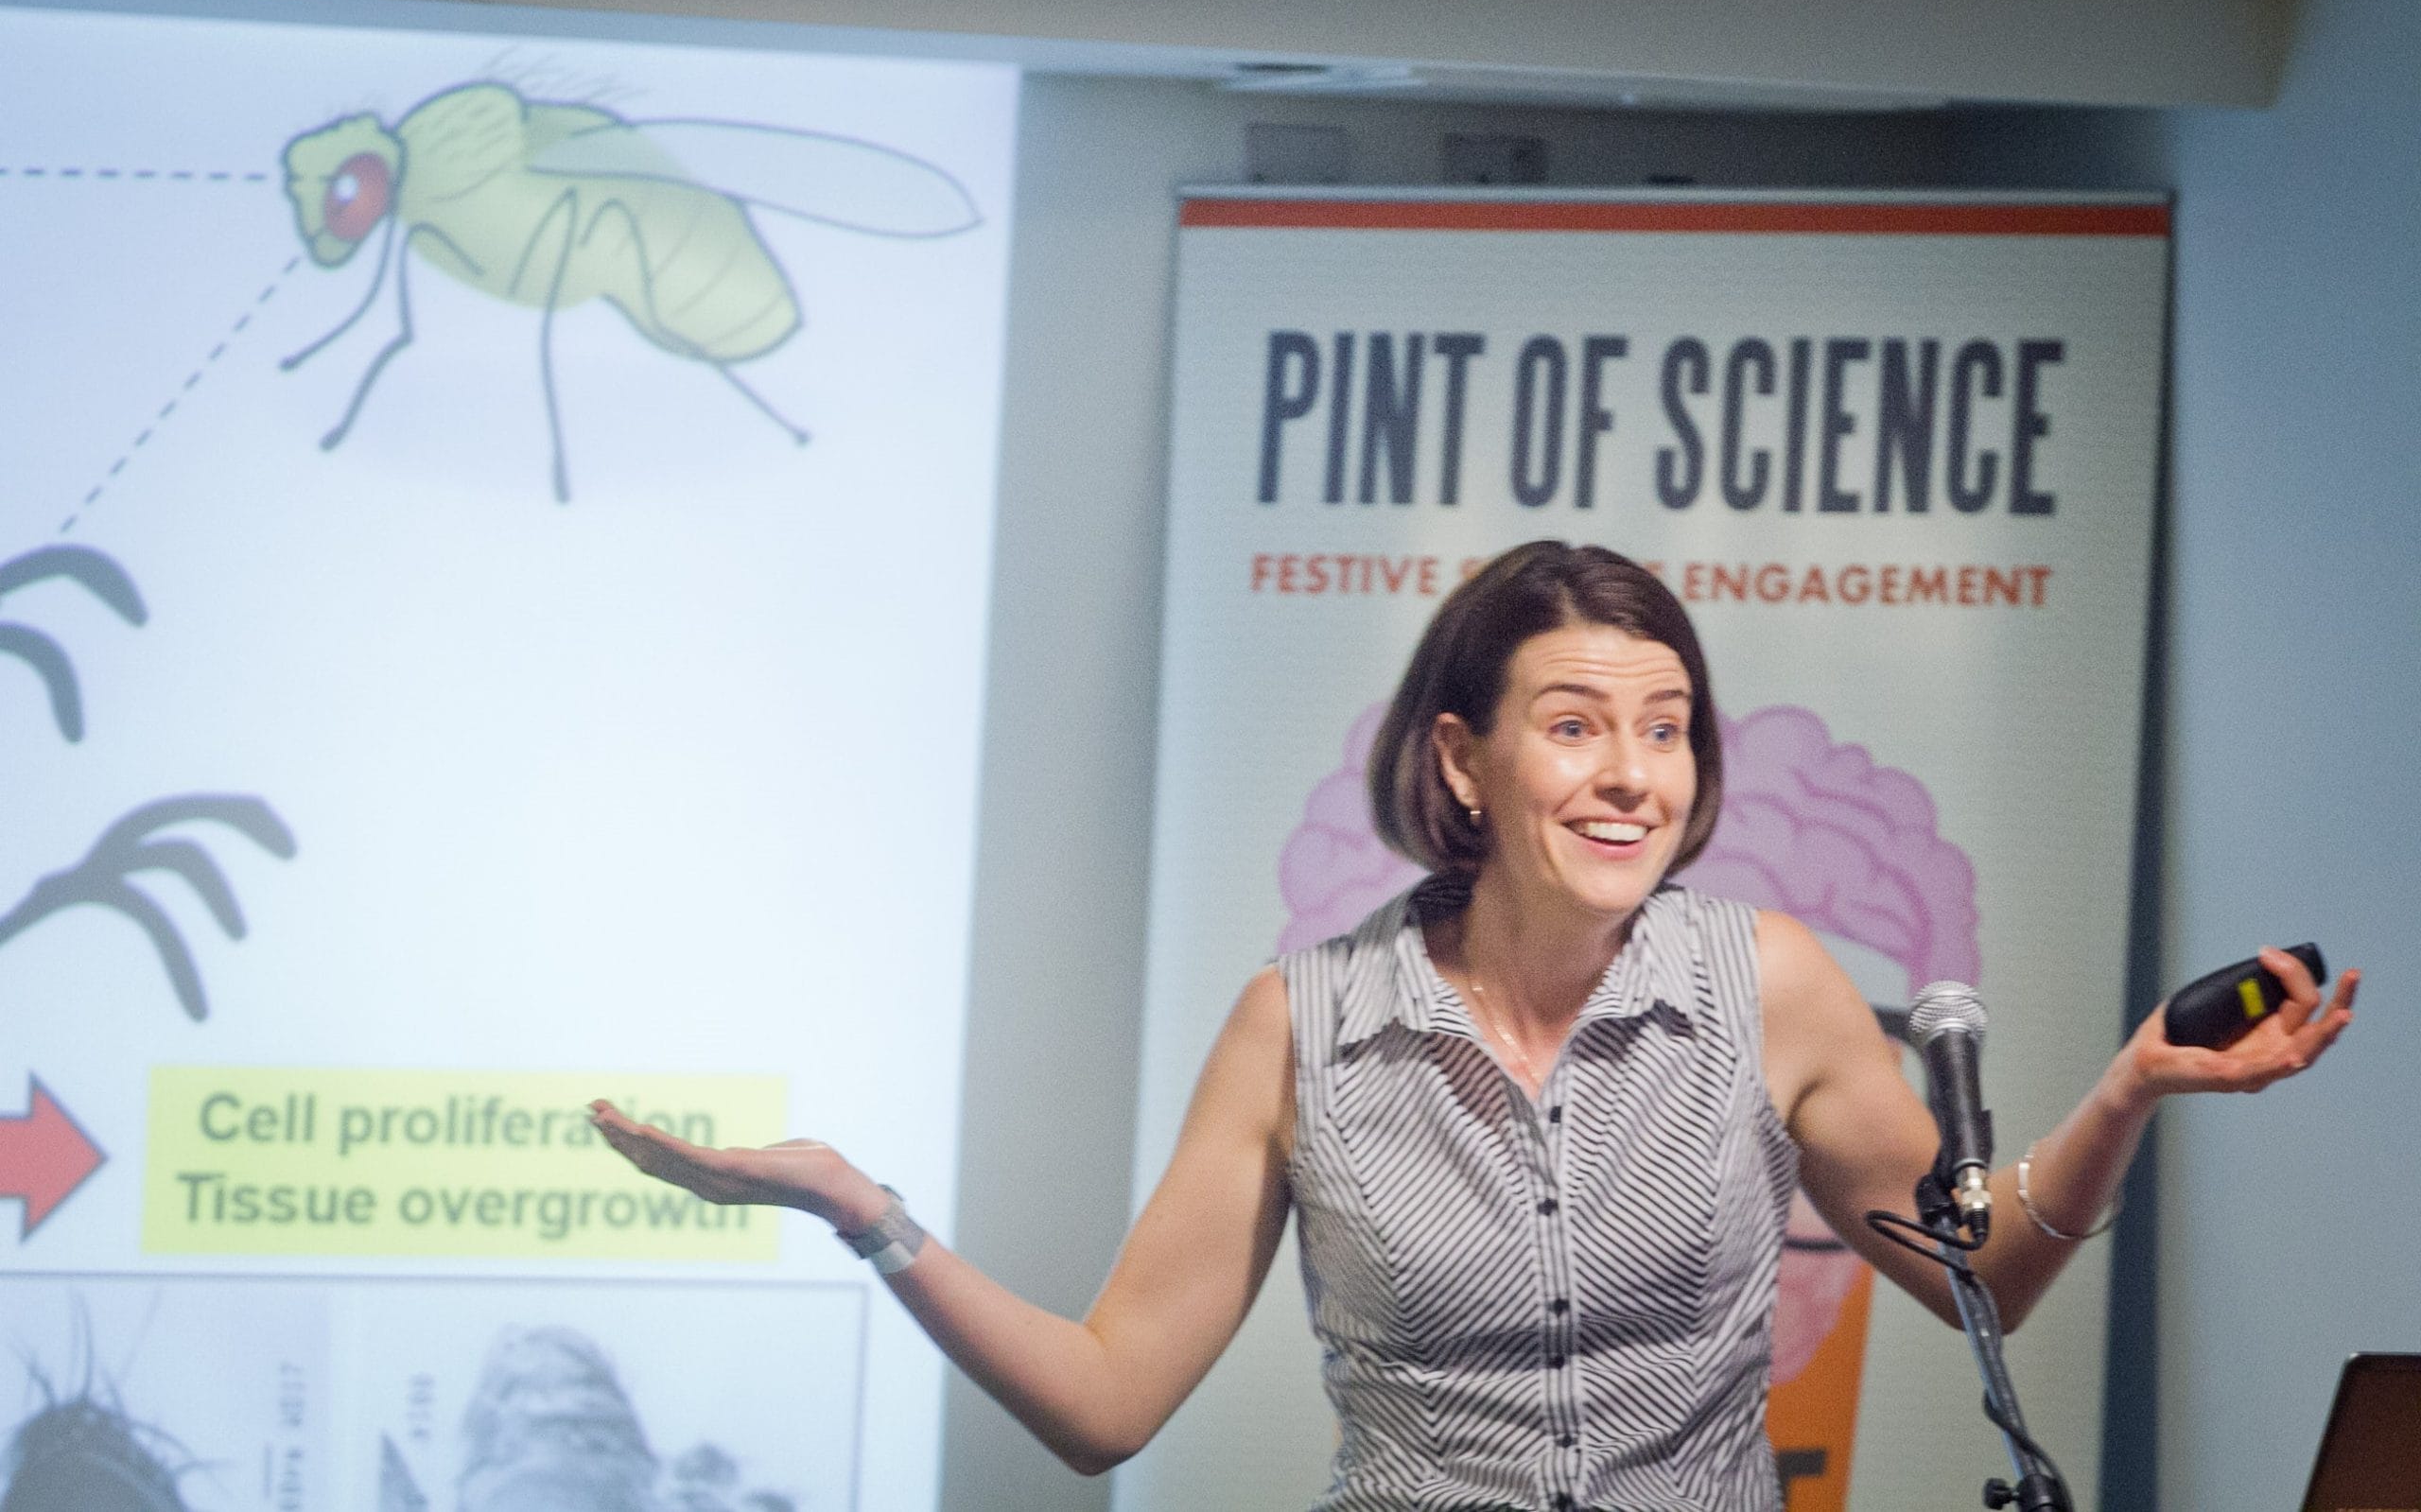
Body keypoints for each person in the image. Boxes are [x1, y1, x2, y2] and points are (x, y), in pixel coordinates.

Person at [590, 540, 2358, 1511]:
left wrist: (2133, 1087)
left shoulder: (1772, 987)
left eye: (1666, 729)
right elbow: (1107, 1404)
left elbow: (1985, 1275)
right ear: (1462, 757)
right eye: (1578, 725)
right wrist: (867, 1217)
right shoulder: (1304, 1027)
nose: (1634, 774)